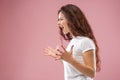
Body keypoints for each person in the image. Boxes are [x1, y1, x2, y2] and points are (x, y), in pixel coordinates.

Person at [44, 4, 101, 80]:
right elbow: (73, 67)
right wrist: (63, 58)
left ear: (71, 19)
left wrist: (70, 59)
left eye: (61, 19)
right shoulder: (73, 41)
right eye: (58, 20)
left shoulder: (85, 41)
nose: (58, 23)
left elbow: (91, 73)